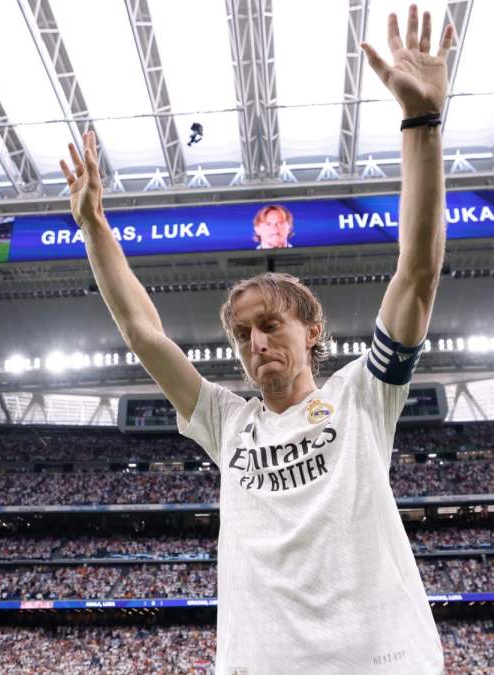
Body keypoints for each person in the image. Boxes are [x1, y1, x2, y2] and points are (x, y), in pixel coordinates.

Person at [60, 6, 452, 671]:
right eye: (243, 332)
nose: (255, 342)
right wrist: (95, 227)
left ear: (313, 329)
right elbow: (141, 330)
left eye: (271, 324)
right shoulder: (227, 423)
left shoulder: (363, 396)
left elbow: (416, 271)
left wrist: (421, 124)